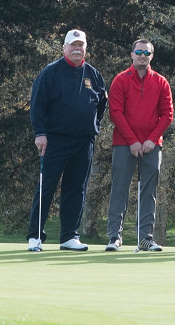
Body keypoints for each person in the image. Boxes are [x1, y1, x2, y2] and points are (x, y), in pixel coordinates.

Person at [27, 29, 108, 252]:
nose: (76, 49)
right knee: (46, 187)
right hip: (55, 139)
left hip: (84, 142)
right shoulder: (50, 72)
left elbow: (101, 103)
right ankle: (35, 236)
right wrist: (40, 133)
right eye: (72, 45)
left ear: (85, 49)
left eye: (80, 45)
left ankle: (69, 236)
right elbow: (37, 105)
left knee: (76, 189)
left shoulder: (93, 74)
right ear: (64, 48)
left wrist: (94, 126)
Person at [104, 39, 173, 252]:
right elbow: (115, 112)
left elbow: (167, 114)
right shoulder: (121, 80)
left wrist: (152, 139)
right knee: (120, 189)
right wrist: (132, 141)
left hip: (153, 145)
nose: (142, 56)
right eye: (139, 52)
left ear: (151, 56)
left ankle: (145, 238)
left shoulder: (161, 82)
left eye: (147, 52)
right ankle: (114, 237)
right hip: (124, 144)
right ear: (132, 55)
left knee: (148, 191)